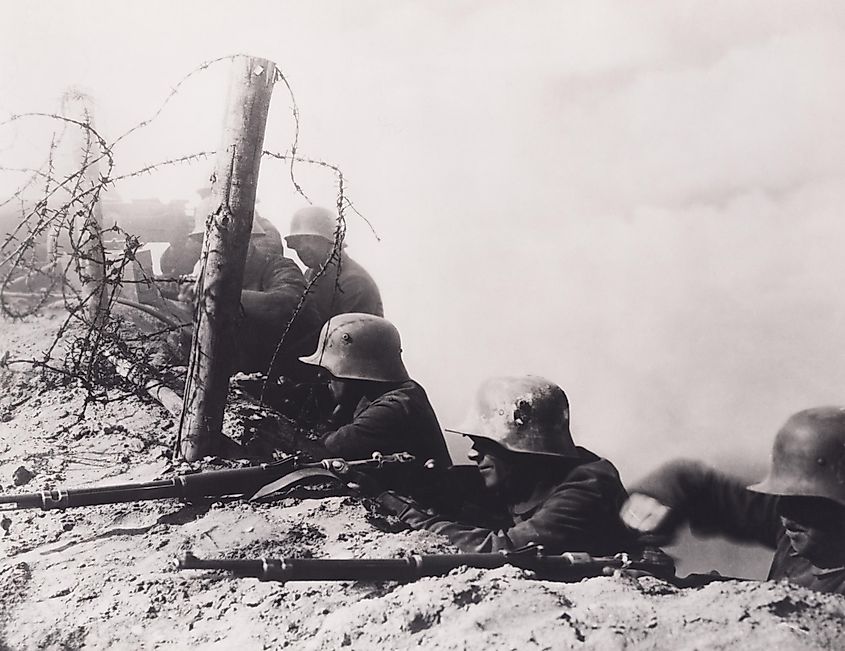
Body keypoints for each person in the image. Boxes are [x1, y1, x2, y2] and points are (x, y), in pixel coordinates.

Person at [370, 375, 634, 555]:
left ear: (523, 448)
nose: (473, 454)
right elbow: (460, 488)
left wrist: (405, 511)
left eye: (484, 444)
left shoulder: (587, 488)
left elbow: (502, 548)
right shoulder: (524, 481)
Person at [620, 407, 845, 595]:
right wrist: (655, 499)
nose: (786, 511)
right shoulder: (805, 527)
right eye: (785, 494)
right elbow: (693, 483)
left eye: (809, 499)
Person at [298, 312, 450, 494]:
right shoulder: (403, 392)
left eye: (331, 372)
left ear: (356, 372)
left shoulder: (393, 408)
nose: (321, 377)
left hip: (426, 514)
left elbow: (324, 448)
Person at [284, 206, 383, 324]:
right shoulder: (312, 273)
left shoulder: (354, 282)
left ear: (331, 241)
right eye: (298, 242)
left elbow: (347, 335)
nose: (302, 248)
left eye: (310, 240)